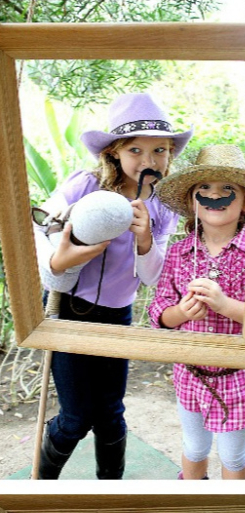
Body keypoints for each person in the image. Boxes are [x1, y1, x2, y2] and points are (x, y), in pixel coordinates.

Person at [34, 92, 193, 479]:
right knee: (75, 417)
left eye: (160, 150)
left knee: (110, 413)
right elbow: (40, 229)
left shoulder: (163, 204)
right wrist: (62, 258)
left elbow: (155, 276)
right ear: (114, 153)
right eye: (135, 149)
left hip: (117, 314)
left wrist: (145, 241)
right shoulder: (85, 185)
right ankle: (42, 483)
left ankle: (112, 486)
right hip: (67, 307)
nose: (148, 160)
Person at [149, 145, 245, 480]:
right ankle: (191, 505)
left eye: (227, 190)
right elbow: (159, 315)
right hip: (190, 375)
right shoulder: (179, 252)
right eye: (204, 190)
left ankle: (228, 507)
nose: (215, 196)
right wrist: (181, 313)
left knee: (232, 453)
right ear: (190, 201)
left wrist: (225, 305)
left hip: (239, 377)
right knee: (194, 447)